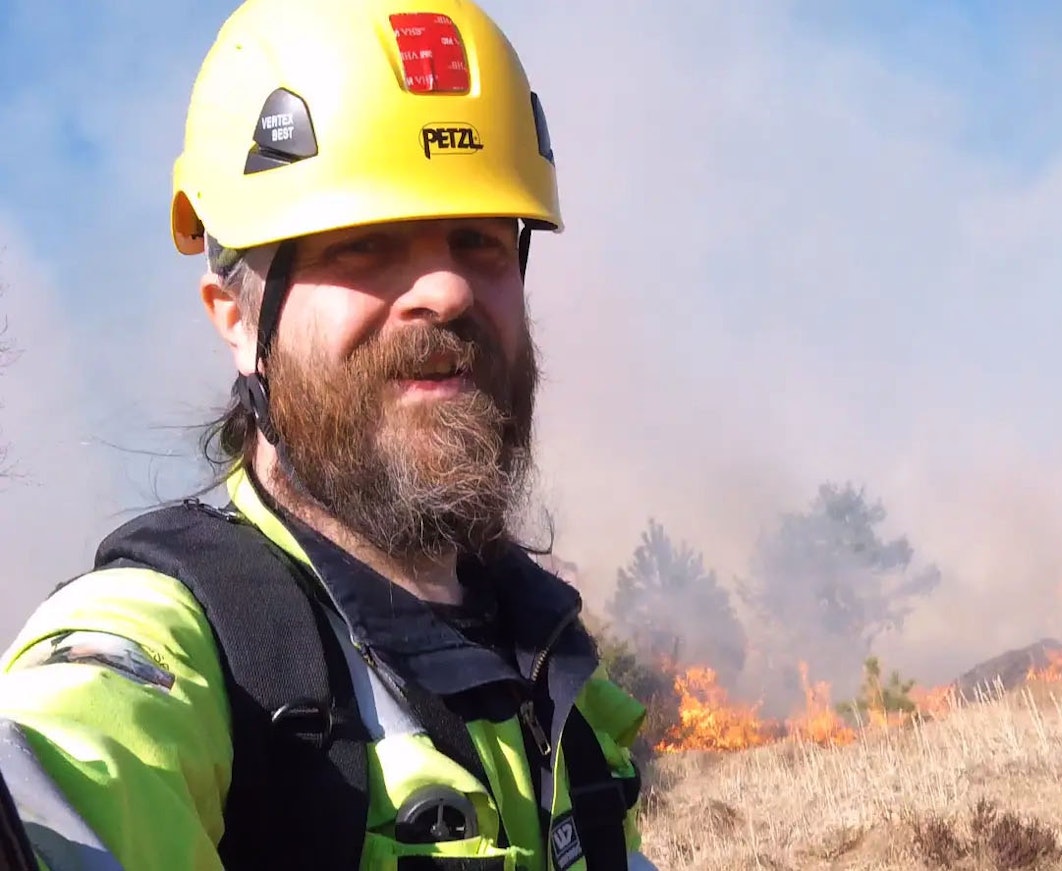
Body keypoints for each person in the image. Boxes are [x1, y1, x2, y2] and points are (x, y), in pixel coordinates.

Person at [0, 1, 655, 869]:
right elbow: (69, 768)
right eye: (365, 243)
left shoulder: (556, 675)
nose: (448, 292)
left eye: (480, 240)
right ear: (238, 318)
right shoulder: (175, 653)